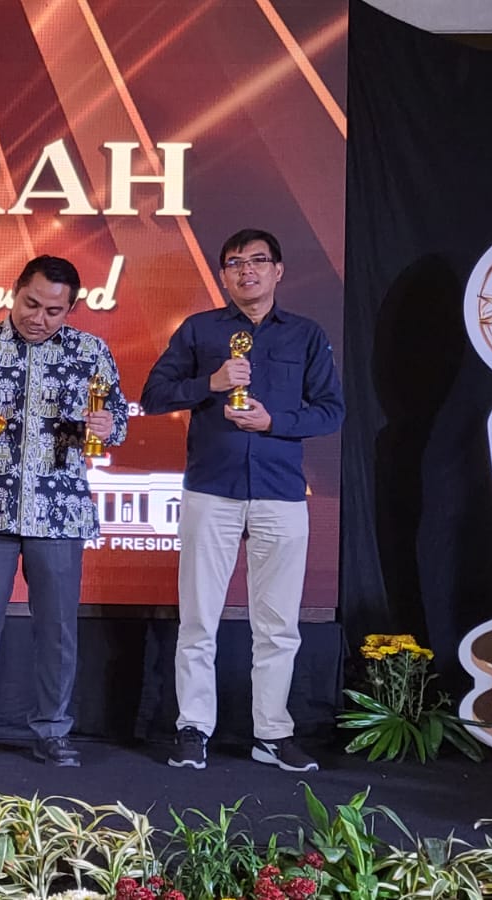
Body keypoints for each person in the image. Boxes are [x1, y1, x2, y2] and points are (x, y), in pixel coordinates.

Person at [141, 228, 343, 773]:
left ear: (278, 270)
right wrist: (210, 381)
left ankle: (272, 734)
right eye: (234, 263)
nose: (246, 271)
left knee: (278, 624)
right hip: (211, 488)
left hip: (281, 491)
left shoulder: (305, 334)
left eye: (257, 261)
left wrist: (275, 422)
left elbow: (332, 410)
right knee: (198, 618)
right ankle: (192, 728)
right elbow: (153, 395)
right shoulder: (199, 329)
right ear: (223, 275)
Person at [0, 256, 126, 768]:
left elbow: (117, 419)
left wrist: (106, 428)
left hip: (59, 512)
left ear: (71, 309)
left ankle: (54, 729)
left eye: (53, 311)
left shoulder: (90, 352)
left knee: (58, 630)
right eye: (31, 304)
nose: (39, 318)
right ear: (14, 293)